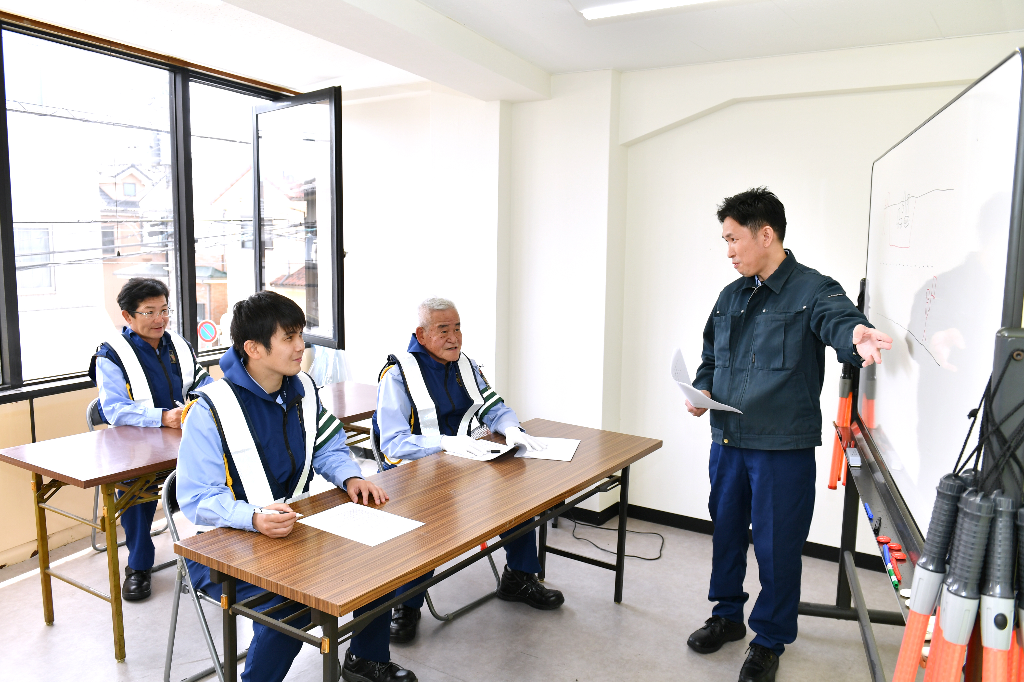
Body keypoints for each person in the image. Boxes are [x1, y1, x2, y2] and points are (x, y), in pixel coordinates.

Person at [684, 188, 892, 682]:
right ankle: (727, 616)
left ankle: (770, 639)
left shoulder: (812, 289)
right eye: (725, 241)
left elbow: (838, 320)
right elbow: (711, 358)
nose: (729, 250)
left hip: (781, 448)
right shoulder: (730, 296)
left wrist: (857, 335)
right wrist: (699, 389)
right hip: (728, 443)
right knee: (727, 534)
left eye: (734, 239)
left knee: (778, 547)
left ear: (766, 234)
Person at [176, 291, 417, 682]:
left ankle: (364, 659)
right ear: (253, 348)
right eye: (289, 338)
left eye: (300, 335)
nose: (300, 347)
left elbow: (327, 445)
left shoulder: (301, 387)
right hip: (223, 546)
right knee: (291, 606)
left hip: (294, 529)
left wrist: (351, 476)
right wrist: (252, 517)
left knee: (379, 560)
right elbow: (198, 498)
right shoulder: (209, 409)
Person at [373, 297, 565, 644]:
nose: (454, 338)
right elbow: (393, 443)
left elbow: (493, 406)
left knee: (517, 490)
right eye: (443, 330)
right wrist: (445, 444)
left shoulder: (466, 365)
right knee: (429, 523)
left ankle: (519, 577)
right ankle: (406, 604)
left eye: (458, 328)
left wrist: (511, 428)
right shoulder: (397, 373)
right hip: (412, 472)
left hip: (463, 461)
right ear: (421, 333)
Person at [87, 277, 212, 601]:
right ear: (128, 317)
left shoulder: (178, 344)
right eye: (149, 312)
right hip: (136, 449)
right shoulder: (110, 355)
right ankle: (139, 567)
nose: (160, 319)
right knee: (134, 491)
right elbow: (113, 408)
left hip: (182, 441)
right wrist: (162, 417)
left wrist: (206, 399)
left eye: (164, 310)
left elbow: (201, 381)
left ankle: (211, 556)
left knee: (224, 470)